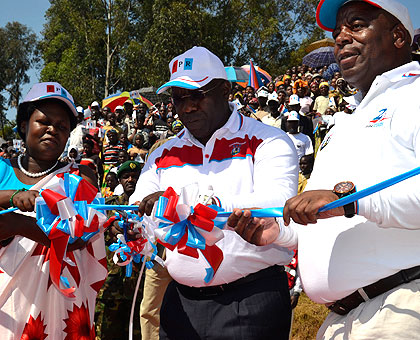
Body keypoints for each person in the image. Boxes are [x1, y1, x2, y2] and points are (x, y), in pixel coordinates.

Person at [231, 0, 420, 339]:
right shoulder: (345, 122)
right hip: (341, 320)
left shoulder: (415, 95)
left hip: (400, 308)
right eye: (337, 33)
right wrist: (280, 236)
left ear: (398, 36)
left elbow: (349, 206)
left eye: (357, 25)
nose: (341, 38)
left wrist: (350, 201)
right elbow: (328, 222)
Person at [130, 46, 298, 340]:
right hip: (180, 303)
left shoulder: (268, 140)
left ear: (225, 91)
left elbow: (277, 205)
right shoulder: (162, 153)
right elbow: (139, 209)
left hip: (250, 299)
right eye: (178, 98)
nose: (187, 107)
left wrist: (185, 205)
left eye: (197, 95)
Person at [0, 82, 107, 339]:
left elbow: (80, 238)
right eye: (44, 121)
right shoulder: (2, 169)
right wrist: (14, 198)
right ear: (24, 125)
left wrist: (19, 225)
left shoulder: (80, 177)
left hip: (61, 307)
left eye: (62, 127)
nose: (52, 130)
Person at [95, 160, 142, 340]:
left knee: (136, 332)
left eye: (135, 177)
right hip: (111, 283)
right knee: (106, 333)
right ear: (120, 181)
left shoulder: (148, 208)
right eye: (126, 177)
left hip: (139, 283)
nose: (131, 180)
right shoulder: (108, 205)